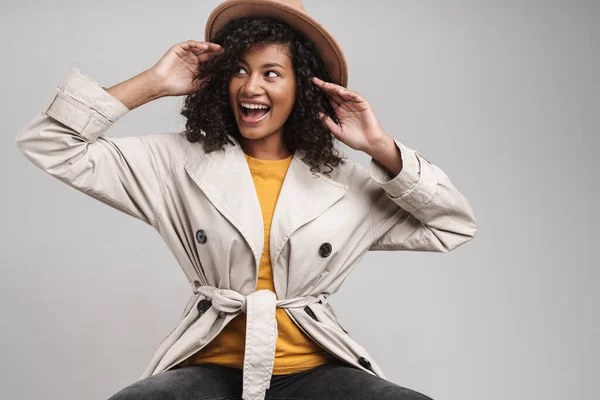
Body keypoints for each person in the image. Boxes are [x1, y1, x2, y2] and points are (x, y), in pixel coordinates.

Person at [16, 0, 477, 399]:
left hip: (315, 372)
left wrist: (380, 147)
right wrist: (153, 83)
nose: (250, 87)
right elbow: (50, 143)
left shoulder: (343, 183)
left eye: (271, 73)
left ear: (302, 86)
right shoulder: (175, 163)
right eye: (239, 70)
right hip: (211, 369)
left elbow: (452, 223)